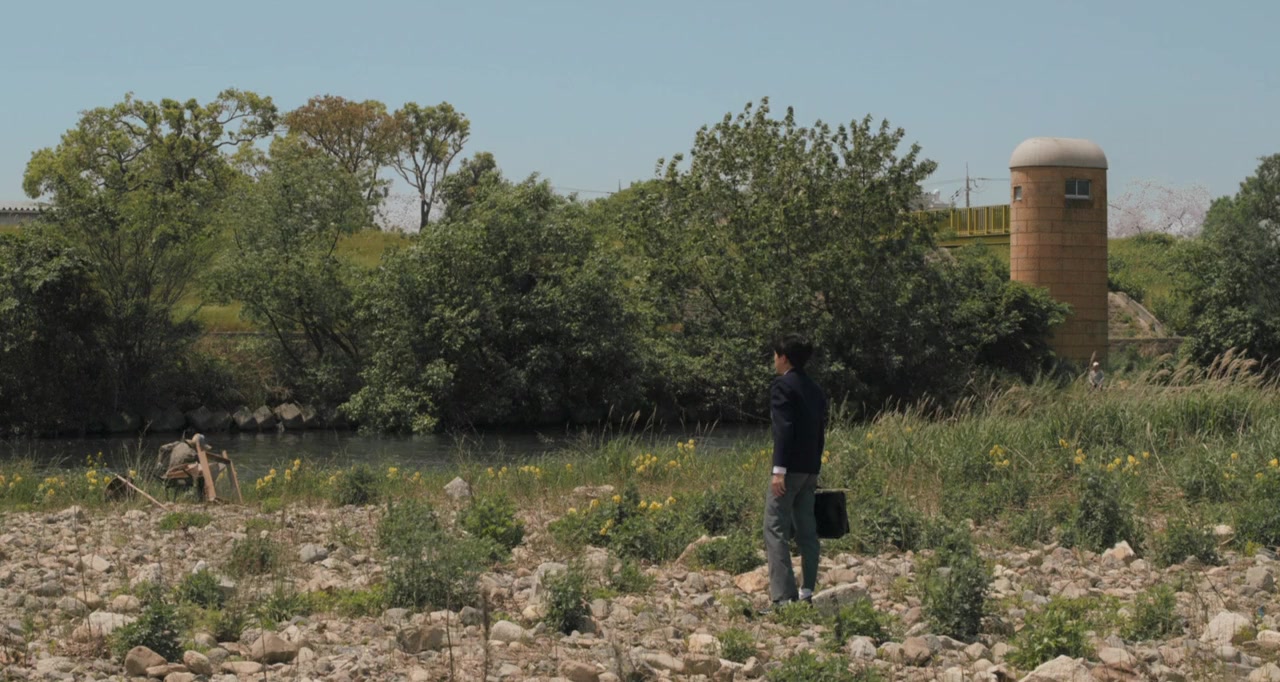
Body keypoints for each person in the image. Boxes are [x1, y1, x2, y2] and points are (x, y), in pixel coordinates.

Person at [764, 334, 828, 606]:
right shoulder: (815, 388)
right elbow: (819, 431)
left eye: (775, 355)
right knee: (807, 532)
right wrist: (815, 465)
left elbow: (783, 429)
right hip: (810, 469)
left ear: (784, 358)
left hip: (788, 471)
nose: (774, 360)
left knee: (775, 527)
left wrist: (778, 470)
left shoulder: (782, 386)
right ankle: (807, 591)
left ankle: (783, 598)